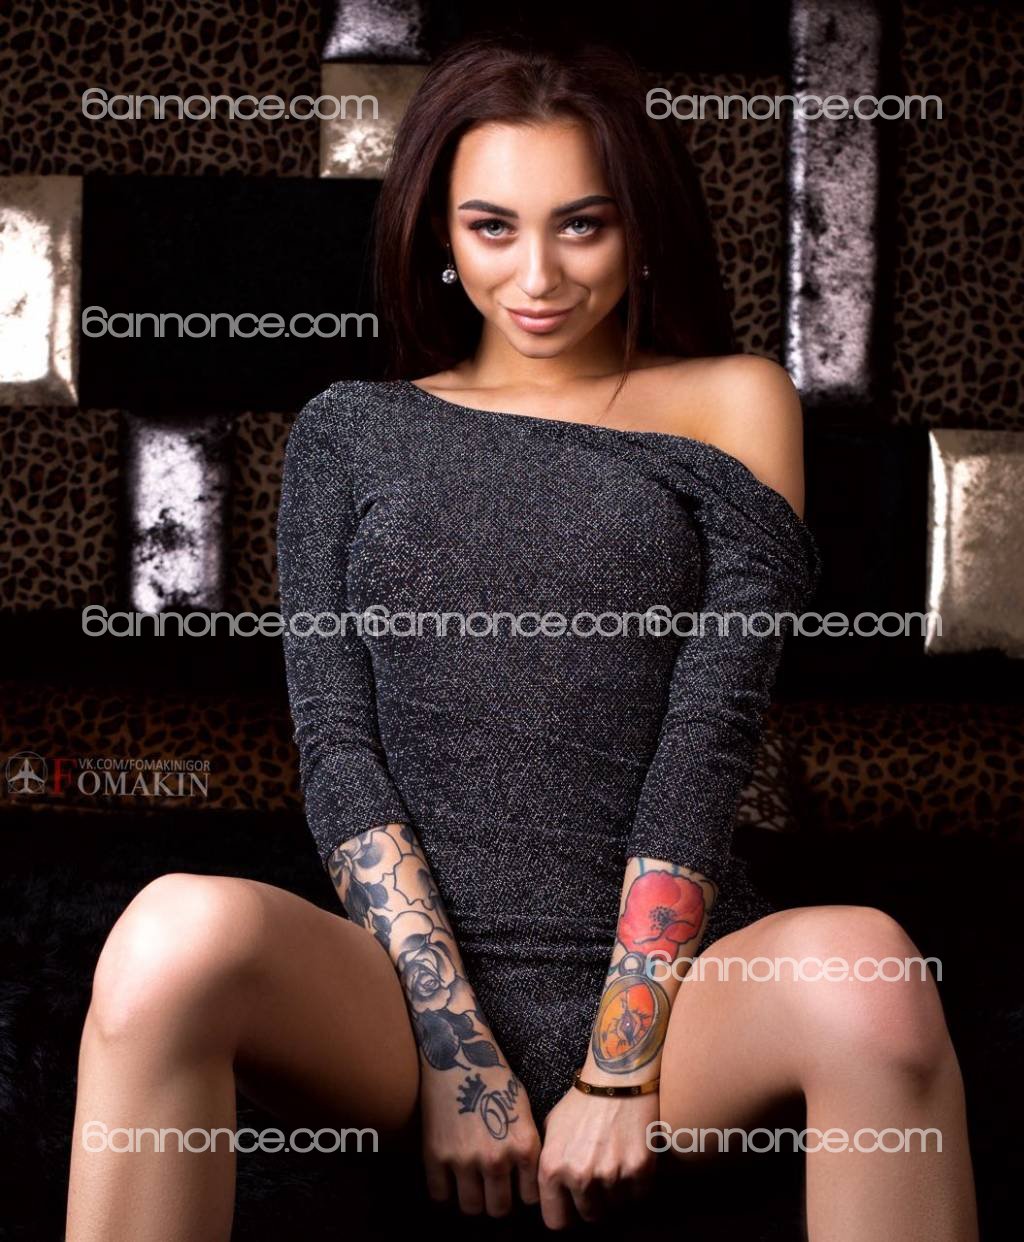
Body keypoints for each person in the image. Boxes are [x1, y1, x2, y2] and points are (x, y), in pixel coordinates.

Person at [66, 33, 979, 1240]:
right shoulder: (350, 431)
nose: (536, 274)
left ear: (640, 229)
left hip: (674, 999)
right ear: (439, 236)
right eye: (492, 227)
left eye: (581, 225)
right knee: (167, 937)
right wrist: (455, 1053)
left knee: (874, 978)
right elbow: (335, 744)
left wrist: (618, 1068)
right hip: (395, 1001)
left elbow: (709, 735)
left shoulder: (732, 400)